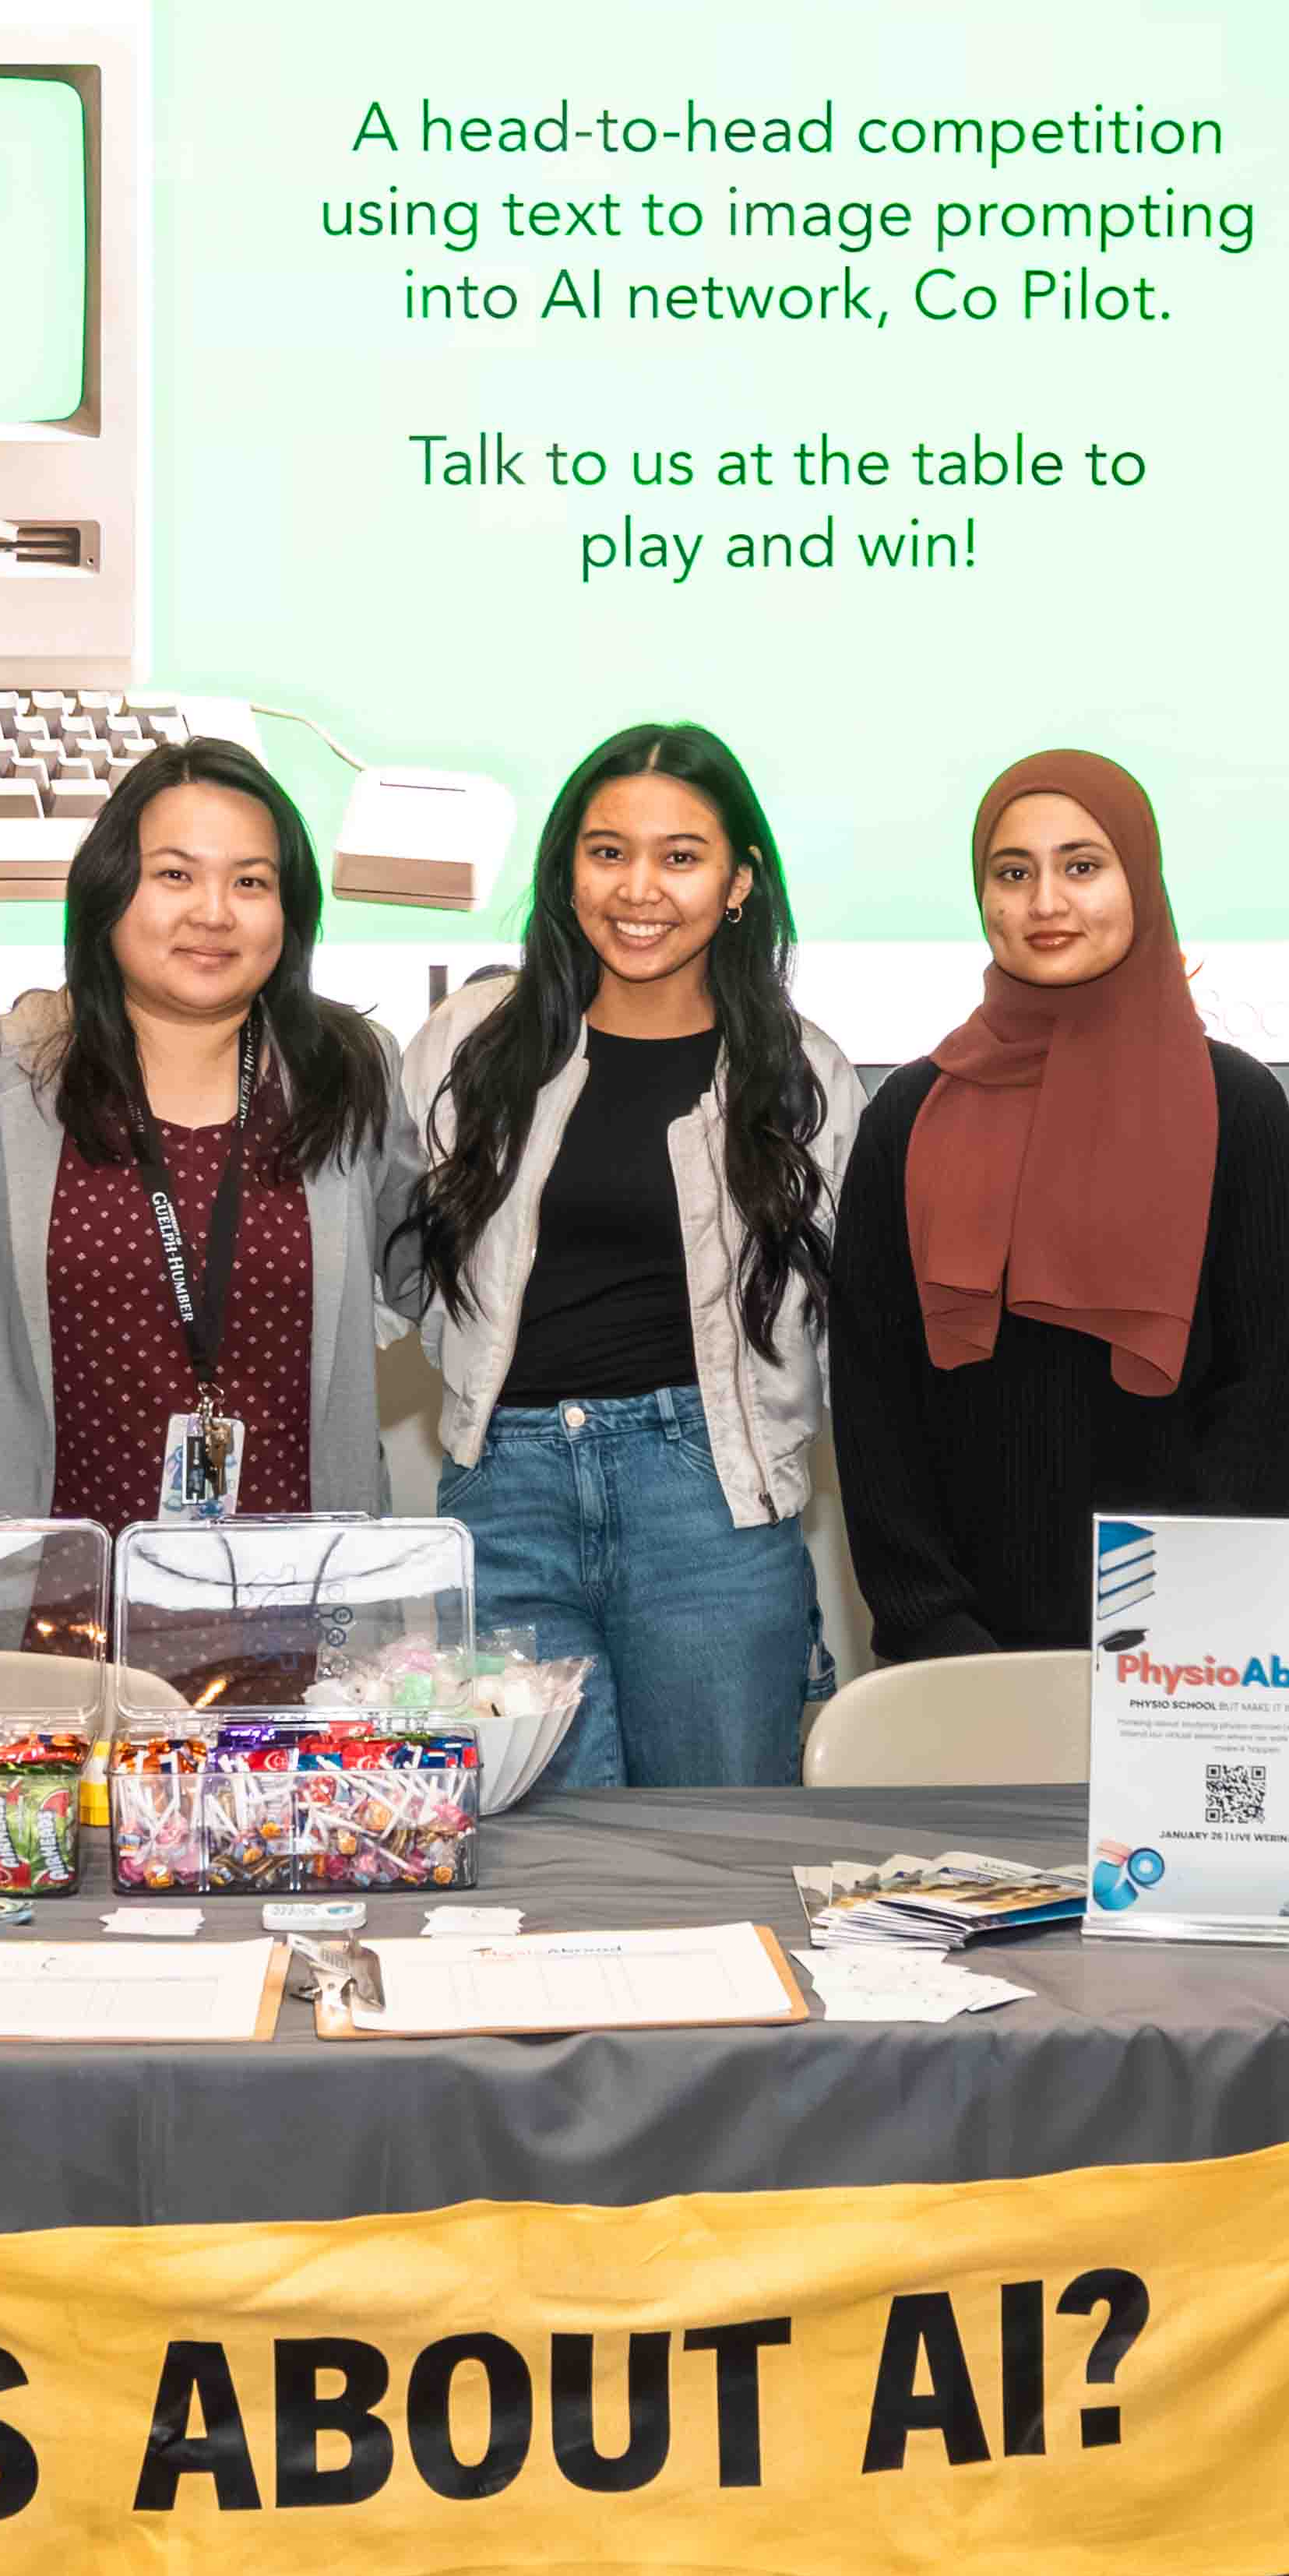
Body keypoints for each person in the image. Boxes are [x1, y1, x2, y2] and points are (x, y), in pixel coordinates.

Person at [396, 723, 861, 1788]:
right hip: (504, 1494)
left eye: (681, 856)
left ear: (740, 882)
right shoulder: (470, 1043)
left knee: (717, 1859)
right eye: (607, 852)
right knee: (539, 1872)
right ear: (566, 871)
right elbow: (392, 1266)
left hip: (709, 1503)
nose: (638, 888)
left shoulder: (804, 1076)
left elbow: (838, 1330)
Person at [828, 748, 1289, 1659]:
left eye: (1083, 867)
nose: (1045, 902)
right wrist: (933, 1624)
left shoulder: (1238, 1111)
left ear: (1141, 880)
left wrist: (1177, 1629)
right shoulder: (907, 1114)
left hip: (1185, 1655)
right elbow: (872, 1399)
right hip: (951, 1655)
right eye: (1013, 873)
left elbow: (1264, 1405)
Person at [0, 737, 418, 1536]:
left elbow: (433, 1275)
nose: (214, 913)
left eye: (251, 882)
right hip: (55, 1608)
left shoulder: (350, 1074)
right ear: (110, 889)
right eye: (175, 875)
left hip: (300, 1599)